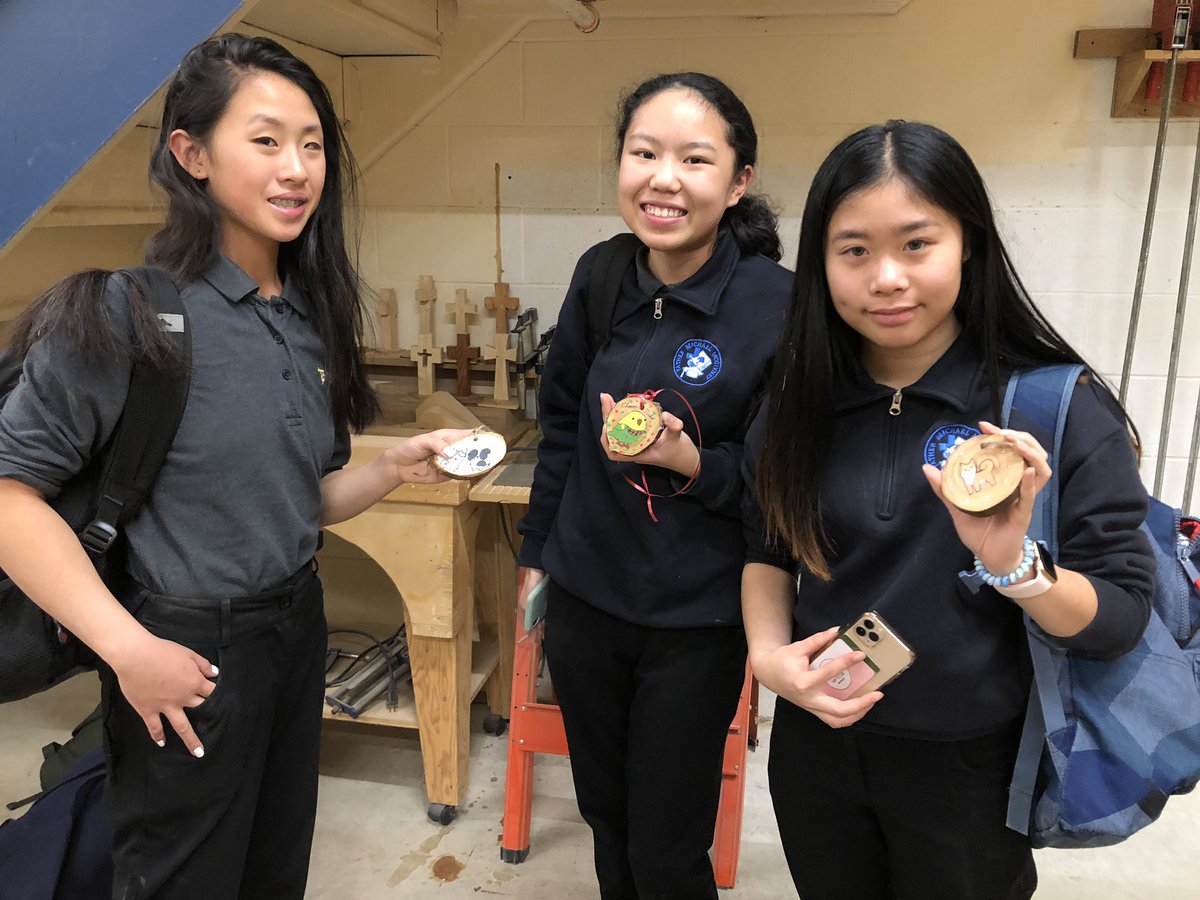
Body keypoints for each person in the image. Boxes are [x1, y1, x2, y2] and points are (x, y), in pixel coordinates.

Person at [0, 34, 467, 898]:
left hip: (294, 626)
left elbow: (301, 503)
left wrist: (395, 467)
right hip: (184, 641)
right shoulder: (126, 313)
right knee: (185, 875)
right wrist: (128, 649)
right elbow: (10, 499)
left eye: (313, 144)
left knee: (272, 867)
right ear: (191, 154)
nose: (297, 168)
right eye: (265, 140)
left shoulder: (304, 321)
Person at [741, 119, 1157, 899]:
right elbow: (766, 547)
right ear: (822, 264)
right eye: (854, 249)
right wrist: (769, 660)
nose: (887, 277)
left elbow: (1120, 619)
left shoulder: (1049, 407)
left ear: (968, 243)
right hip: (819, 748)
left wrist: (1016, 568)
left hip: (971, 763)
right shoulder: (797, 401)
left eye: (917, 244)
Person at [516, 72, 791, 899]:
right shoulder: (603, 274)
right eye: (645, 153)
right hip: (588, 602)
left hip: (696, 620)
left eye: (695, 159)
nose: (663, 179)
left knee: (665, 845)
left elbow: (780, 484)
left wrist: (688, 462)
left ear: (737, 181)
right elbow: (561, 423)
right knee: (607, 815)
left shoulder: (775, 305)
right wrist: (538, 558)